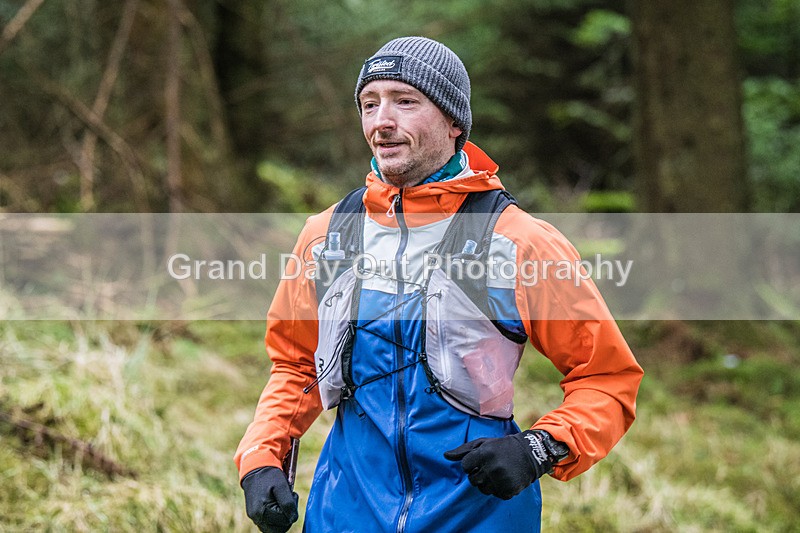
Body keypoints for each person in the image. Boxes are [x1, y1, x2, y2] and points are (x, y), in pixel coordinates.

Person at [235, 36, 643, 533]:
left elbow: (606, 378)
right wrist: (262, 459)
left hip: (479, 512)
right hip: (346, 509)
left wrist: (539, 448)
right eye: (369, 104)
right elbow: (297, 365)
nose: (381, 121)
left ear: (454, 122)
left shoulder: (518, 242)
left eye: (405, 101)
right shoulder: (328, 235)